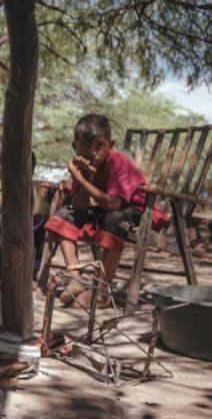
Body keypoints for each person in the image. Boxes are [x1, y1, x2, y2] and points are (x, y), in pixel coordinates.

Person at [44, 114, 167, 308]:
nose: (92, 152)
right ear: (75, 146)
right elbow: (80, 207)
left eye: (99, 145)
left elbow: (114, 204)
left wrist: (81, 179)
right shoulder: (84, 165)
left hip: (138, 211)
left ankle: (101, 293)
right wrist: (88, 178)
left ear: (111, 144)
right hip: (105, 211)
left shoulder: (117, 162)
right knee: (64, 215)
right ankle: (75, 277)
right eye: (85, 145)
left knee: (113, 219)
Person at [0, 152, 51, 286]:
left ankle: (33, 272)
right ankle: (5, 272)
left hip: (31, 224)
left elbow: (40, 211)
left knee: (46, 224)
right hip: (6, 220)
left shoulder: (35, 185)